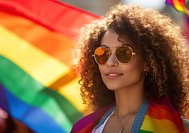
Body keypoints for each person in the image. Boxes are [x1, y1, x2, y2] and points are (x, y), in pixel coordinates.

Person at [71, 3, 189, 133]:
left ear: (147, 62)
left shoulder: (177, 128)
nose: (110, 62)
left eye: (123, 53)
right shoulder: (84, 129)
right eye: (103, 53)